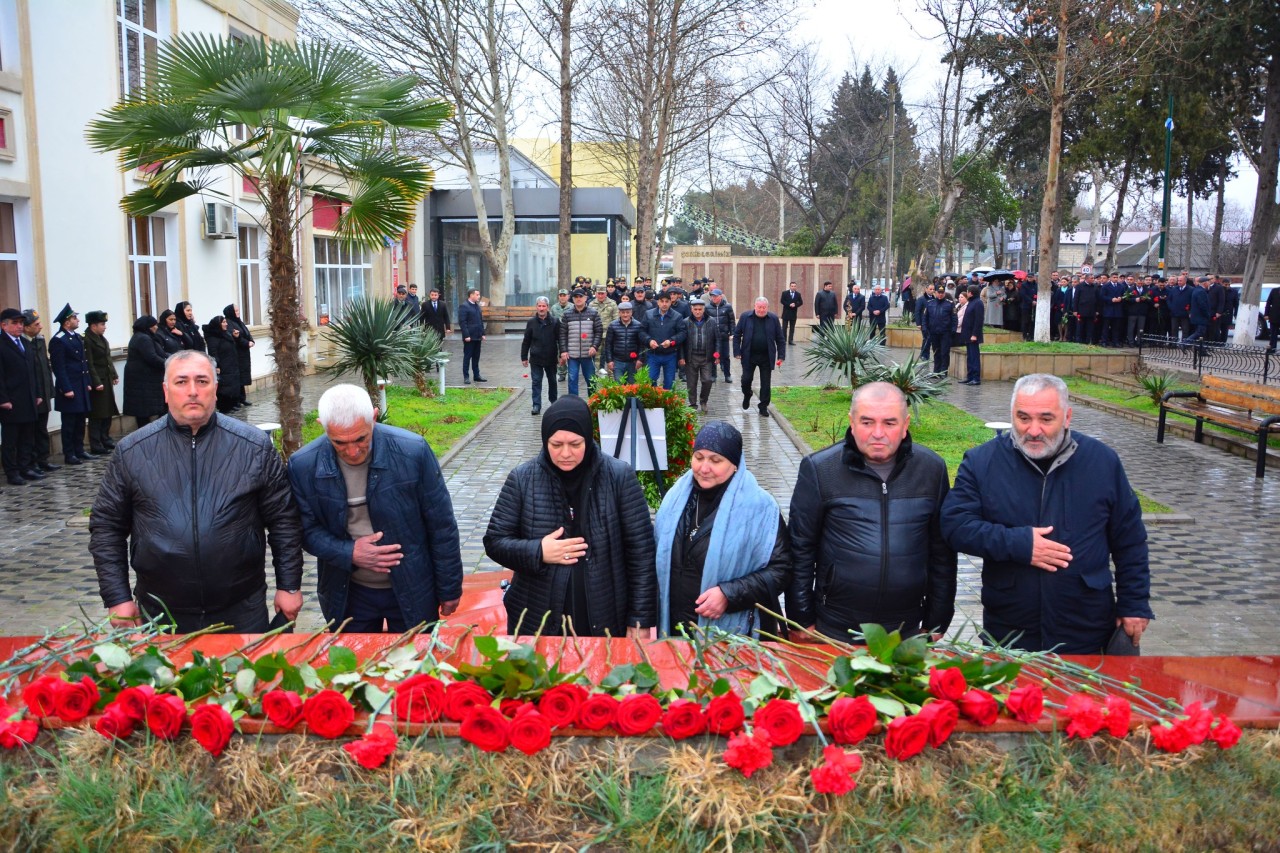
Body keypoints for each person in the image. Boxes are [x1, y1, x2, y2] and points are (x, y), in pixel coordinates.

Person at [90, 350, 304, 633]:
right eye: (181, 382)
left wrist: (289, 585)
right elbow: (106, 526)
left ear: (216, 388)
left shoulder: (253, 446)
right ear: (166, 391)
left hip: (241, 608)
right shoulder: (132, 451)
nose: (192, 391)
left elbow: (283, 521)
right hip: (160, 610)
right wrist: (117, 597)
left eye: (202, 381)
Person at [940, 374, 1153, 654]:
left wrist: (1134, 603)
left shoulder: (1102, 462)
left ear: (1067, 417)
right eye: (1023, 418)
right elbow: (956, 526)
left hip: (1086, 628)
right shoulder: (982, 462)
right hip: (1010, 631)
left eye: (1046, 418)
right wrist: (1020, 544)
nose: (1033, 430)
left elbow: (1130, 540)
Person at [787, 382, 956, 641]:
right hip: (835, 627)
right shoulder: (820, 470)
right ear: (852, 423)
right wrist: (801, 619)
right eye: (867, 423)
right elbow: (800, 549)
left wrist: (937, 621)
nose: (878, 433)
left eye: (889, 423)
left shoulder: (931, 469)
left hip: (905, 630)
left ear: (905, 424)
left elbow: (942, 551)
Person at [288, 384, 462, 632]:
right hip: (347, 593)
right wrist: (350, 552)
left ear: (374, 416)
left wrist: (449, 586)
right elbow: (305, 530)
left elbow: (441, 524)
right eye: (339, 442)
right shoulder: (303, 465)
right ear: (322, 426)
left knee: (413, 665)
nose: (352, 451)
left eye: (361, 438)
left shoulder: (413, 452)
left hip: (414, 587)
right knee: (353, 666)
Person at [482, 395, 656, 637]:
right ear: (545, 441)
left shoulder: (619, 477)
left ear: (588, 438)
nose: (566, 453)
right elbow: (495, 542)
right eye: (556, 445)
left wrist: (640, 620)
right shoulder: (522, 479)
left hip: (605, 613)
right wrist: (539, 551)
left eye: (575, 444)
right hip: (537, 616)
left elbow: (642, 553)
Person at [654, 421, 789, 638]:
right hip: (674, 629)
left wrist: (730, 594)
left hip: (732, 634)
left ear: (735, 464)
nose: (704, 468)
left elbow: (781, 569)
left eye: (716, 460)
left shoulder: (760, 508)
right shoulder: (675, 497)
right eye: (698, 457)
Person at [47, 303, 95, 465]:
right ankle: (69, 453)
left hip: (80, 384)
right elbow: (59, 367)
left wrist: (87, 382)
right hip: (70, 386)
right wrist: (66, 388)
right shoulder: (59, 340)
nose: (78, 320)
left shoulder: (76, 337)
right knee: (69, 423)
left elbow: (83, 362)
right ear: (67, 322)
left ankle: (79, 449)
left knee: (81, 420)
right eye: (74, 318)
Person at [0, 307, 41, 485]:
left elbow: (34, 371)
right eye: (15, 323)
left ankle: (25, 467)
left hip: (28, 398)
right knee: (11, 440)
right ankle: (12, 472)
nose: (19, 327)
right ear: (4, 325)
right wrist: (3, 399)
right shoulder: (2, 345)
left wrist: (38, 393)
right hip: (11, 400)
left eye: (21, 323)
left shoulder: (25, 343)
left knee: (27, 436)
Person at [733, 297, 785, 417]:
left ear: (767, 307)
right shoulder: (746, 317)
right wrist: (737, 352)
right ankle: (747, 394)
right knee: (746, 380)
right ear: (755, 306)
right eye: (759, 307)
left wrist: (781, 355)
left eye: (764, 307)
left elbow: (780, 339)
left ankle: (763, 406)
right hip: (749, 355)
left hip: (766, 356)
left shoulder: (773, 319)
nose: (761, 310)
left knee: (766, 383)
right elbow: (737, 335)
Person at [20, 309, 59, 473]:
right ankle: (31, 461)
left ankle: (43, 459)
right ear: (26, 327)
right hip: (31, 394)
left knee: (42, 429)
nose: (41, 327)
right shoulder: (22, 343)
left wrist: (50, 389)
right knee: (30, 431)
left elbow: (45, 366)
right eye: (36, 324)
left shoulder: (40, 340)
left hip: (43, 391)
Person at [83, 310, 120, 454]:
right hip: (98, 381)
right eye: (102, 324)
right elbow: (89, 363)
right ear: (93, 325)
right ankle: (96, 443)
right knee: (97, 414)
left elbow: (107, 358)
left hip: (106, 379)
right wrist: (96, 381)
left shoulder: (101, 338)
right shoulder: (87, 339)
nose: (104, 327)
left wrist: (114, 374)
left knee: (108, 411)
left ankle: (105, 438)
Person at [122, 315, 168, 429]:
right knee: (145, 411)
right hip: (144, 381)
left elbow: (159, 353)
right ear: (148, 327)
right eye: (154, 325)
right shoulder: (143, 338)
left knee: (144, 411)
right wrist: (169, 363)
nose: (156, 327)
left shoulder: (142, 337)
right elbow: (152, 357)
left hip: (143, 380)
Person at [558, 287, 603, 397]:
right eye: (576, 297)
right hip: (572, 355)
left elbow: (599, 331)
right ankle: (574, 405)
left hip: (588, 354)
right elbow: (562, 334)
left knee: (591, 380)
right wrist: (563, 351)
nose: (578, 299)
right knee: (572, 380)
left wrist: (595, 346)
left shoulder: (593, 313)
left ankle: (592, 404)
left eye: (580, 297)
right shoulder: (567, 314)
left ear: (586, 298)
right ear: (572, 299)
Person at [521, 296, 559, 415]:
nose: (541, 308)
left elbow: (560, 339)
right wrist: (524, 357)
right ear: (536, 307)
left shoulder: (555, 321)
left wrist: (562, 354)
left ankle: (554, 403)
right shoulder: (531, 322)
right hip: (536, 357)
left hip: (551, 357)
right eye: (539, 306)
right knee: (536, 381)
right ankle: (536, 405)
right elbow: (526, 340)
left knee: (552, 381)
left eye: (543, 306)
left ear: (547, 307)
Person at [641, 290, 685, 390]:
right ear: (658, 302)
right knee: (650, 381)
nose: (664, 304)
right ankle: (653, 402)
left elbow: (682, 333)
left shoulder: (677, 316)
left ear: (671, 302)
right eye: (662, 301)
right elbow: (642, 331)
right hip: (653, 354)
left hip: (670, 354)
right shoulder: (648, 314)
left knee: (669, 383)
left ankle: (667, 404)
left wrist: (671, 341)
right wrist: (649, 341)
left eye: (667, 301)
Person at [681, 298, 719, 413]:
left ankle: (703, 401)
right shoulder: (686, 322)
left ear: (704, 310)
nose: (698, 312)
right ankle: (693, 404)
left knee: (707, 380)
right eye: (695, 309)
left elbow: (717, 339)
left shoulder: (711, 321)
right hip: (691, 357)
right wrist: (682, 357)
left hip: (707, 357)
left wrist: (717, 354)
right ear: (691, 310)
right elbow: (682, 342)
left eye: (700, 309)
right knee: (691, 383)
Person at [203, 314, 242, 413]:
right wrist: (217, 365)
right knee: (224, 387)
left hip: (231, 363)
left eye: (225, 322)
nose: (226, 324)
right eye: (223, 322)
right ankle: (224, 407)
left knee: (232, 384)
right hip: (223, 365)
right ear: (218, 324)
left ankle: (231, 404)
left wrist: (236, 337)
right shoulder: (213, 337)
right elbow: (213, 352)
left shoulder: (226, 333)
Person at [223, 304, 255, 406]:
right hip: (237, 353)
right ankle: (236, 399)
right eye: (236, 311)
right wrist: (246, 343)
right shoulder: (229, 322)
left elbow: (246, 333)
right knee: (237, 377)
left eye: (238, 310)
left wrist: (251, 341)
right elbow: (235, 337)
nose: (238, 312)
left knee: (243, 376)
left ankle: (242, 398)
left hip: (244, 353)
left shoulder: (239, 322)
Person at [606, 301, 644, 382]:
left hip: (632, 362)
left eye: (628, 312)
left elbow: (641, 344)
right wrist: (609, 360)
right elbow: (608, 344)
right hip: (617, 361)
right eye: (623, 312)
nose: (625, 315)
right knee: (618, 387)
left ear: (631, 312)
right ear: (619, 313)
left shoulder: (638, 325)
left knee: (632, 387)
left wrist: (640, 359)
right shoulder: (613, 325)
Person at [705, 288, 735, 382]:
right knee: (713, 356)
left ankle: (727, 375)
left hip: (724, 335)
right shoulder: (707, 307)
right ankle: (713, 375)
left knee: (725, 356)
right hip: (712, 337)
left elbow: (732, 321)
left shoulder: (728, 307)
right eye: (712, 296)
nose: (713, 298)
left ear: (720, 297)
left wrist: (732, 333)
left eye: (715, 296)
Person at [458, 287, 486, 384]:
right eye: (477, 294)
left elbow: (480, 321)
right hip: (469, 337)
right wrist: (466, 335)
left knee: (476, 357)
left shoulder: (477, 306)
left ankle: (476, 375)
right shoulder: (464, 306)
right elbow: (462, 322)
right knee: (467, 357)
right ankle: (466, 376)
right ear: (471, 295)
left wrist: (482, 333)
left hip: (477, 336)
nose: (479, 296)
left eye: (479, 294)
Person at [923, 288, 955, 375]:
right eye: (939, 292)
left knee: (944, 353)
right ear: (935, 293)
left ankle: (944, 372)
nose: (940, 294)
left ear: (944, 293)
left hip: (945, 333)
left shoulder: (949, 304)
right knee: (936, 352)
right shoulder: (930, 303)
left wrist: (953, 329)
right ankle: (936, 371)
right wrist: (925, 328)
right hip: (934, 332)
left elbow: (954, 318)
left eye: (942, 293)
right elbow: (925, 317)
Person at [958, 288, 984, 386]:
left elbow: (978, 321)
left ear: (971, 293)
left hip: (973, 335)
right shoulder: (971, 302)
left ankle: (976, 378)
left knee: (974, 357)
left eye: (968, 291)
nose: (967, 293)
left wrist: (974, 334)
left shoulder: (978, 303)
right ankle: (970, 377)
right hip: (967, 334)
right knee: (970, 357)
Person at [592, 284, 619, 374]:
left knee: (610, 356)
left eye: (602, 293)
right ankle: (597, 377)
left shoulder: (612, 303)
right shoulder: (591, 304)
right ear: (595, 294)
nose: (600, 296)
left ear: (606, 294)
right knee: (597, 357)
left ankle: (611, 379)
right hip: (596, 335)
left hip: (609, 334)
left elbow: (616, 320)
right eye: (598, 293)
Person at [1266, 284, 1280, 353]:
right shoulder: (1274, 291)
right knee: (1273, 334)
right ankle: (1272, 348)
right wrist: (1266, 314)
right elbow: (1268, 302)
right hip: (1274, 316)